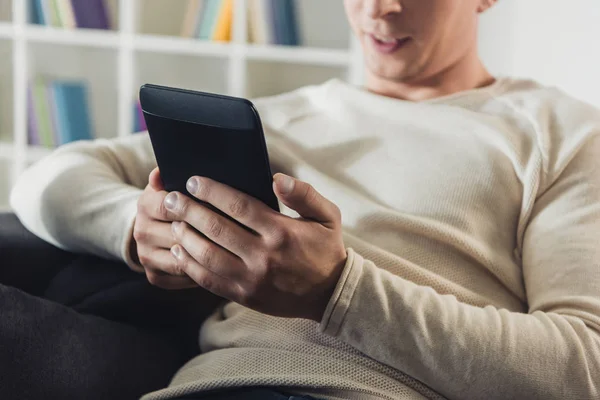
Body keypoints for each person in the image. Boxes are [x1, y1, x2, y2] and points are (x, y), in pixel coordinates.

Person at [5, 0, 600, 399]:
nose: (377, 8)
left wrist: (339, 292)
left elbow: (584, 364)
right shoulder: (279, 118)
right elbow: (48, 180)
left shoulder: (559, 132)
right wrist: (133, 228)